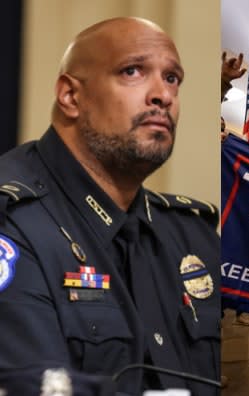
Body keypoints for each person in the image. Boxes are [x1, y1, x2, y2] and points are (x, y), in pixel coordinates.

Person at [0, 17, 220, 395]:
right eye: (132, 71)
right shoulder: (14, 219)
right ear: (71, 96)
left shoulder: (192, 230)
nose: (162, 95)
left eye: (172, 79)